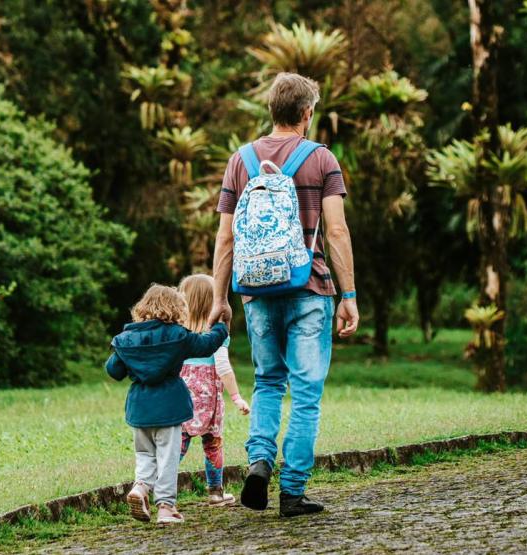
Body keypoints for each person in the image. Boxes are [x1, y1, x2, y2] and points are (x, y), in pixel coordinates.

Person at [208, 72, 359, 517]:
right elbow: (335, 229)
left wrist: (221, 298)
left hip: (255, 293)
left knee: (268, 382)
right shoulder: (321, 160)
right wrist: (347, 293)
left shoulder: (241, 160)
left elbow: (225, 237)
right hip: (309, 289)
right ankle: (292, 491)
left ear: (272, 111)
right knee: (306, 392)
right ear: (307, 113)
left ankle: (258, 461)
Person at [106, 284, 228, 524]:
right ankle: (165, 508)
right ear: (175, 309)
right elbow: (206, 344)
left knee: (144, 454)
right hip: (170, 408)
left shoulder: (126, 339)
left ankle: (140, 488)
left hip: (140, 409)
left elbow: (113, 370)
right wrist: (222, 326)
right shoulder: (178, 336)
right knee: (167, 458)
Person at [177, 274, 251, 507]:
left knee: (178, 443)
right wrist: (237, 397)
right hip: (209, 400)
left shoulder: (178, 333)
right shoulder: (217, 333)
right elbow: (222, 367)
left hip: (181, 398)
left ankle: (160, 490)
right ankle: (216, 493)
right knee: (213, 443)